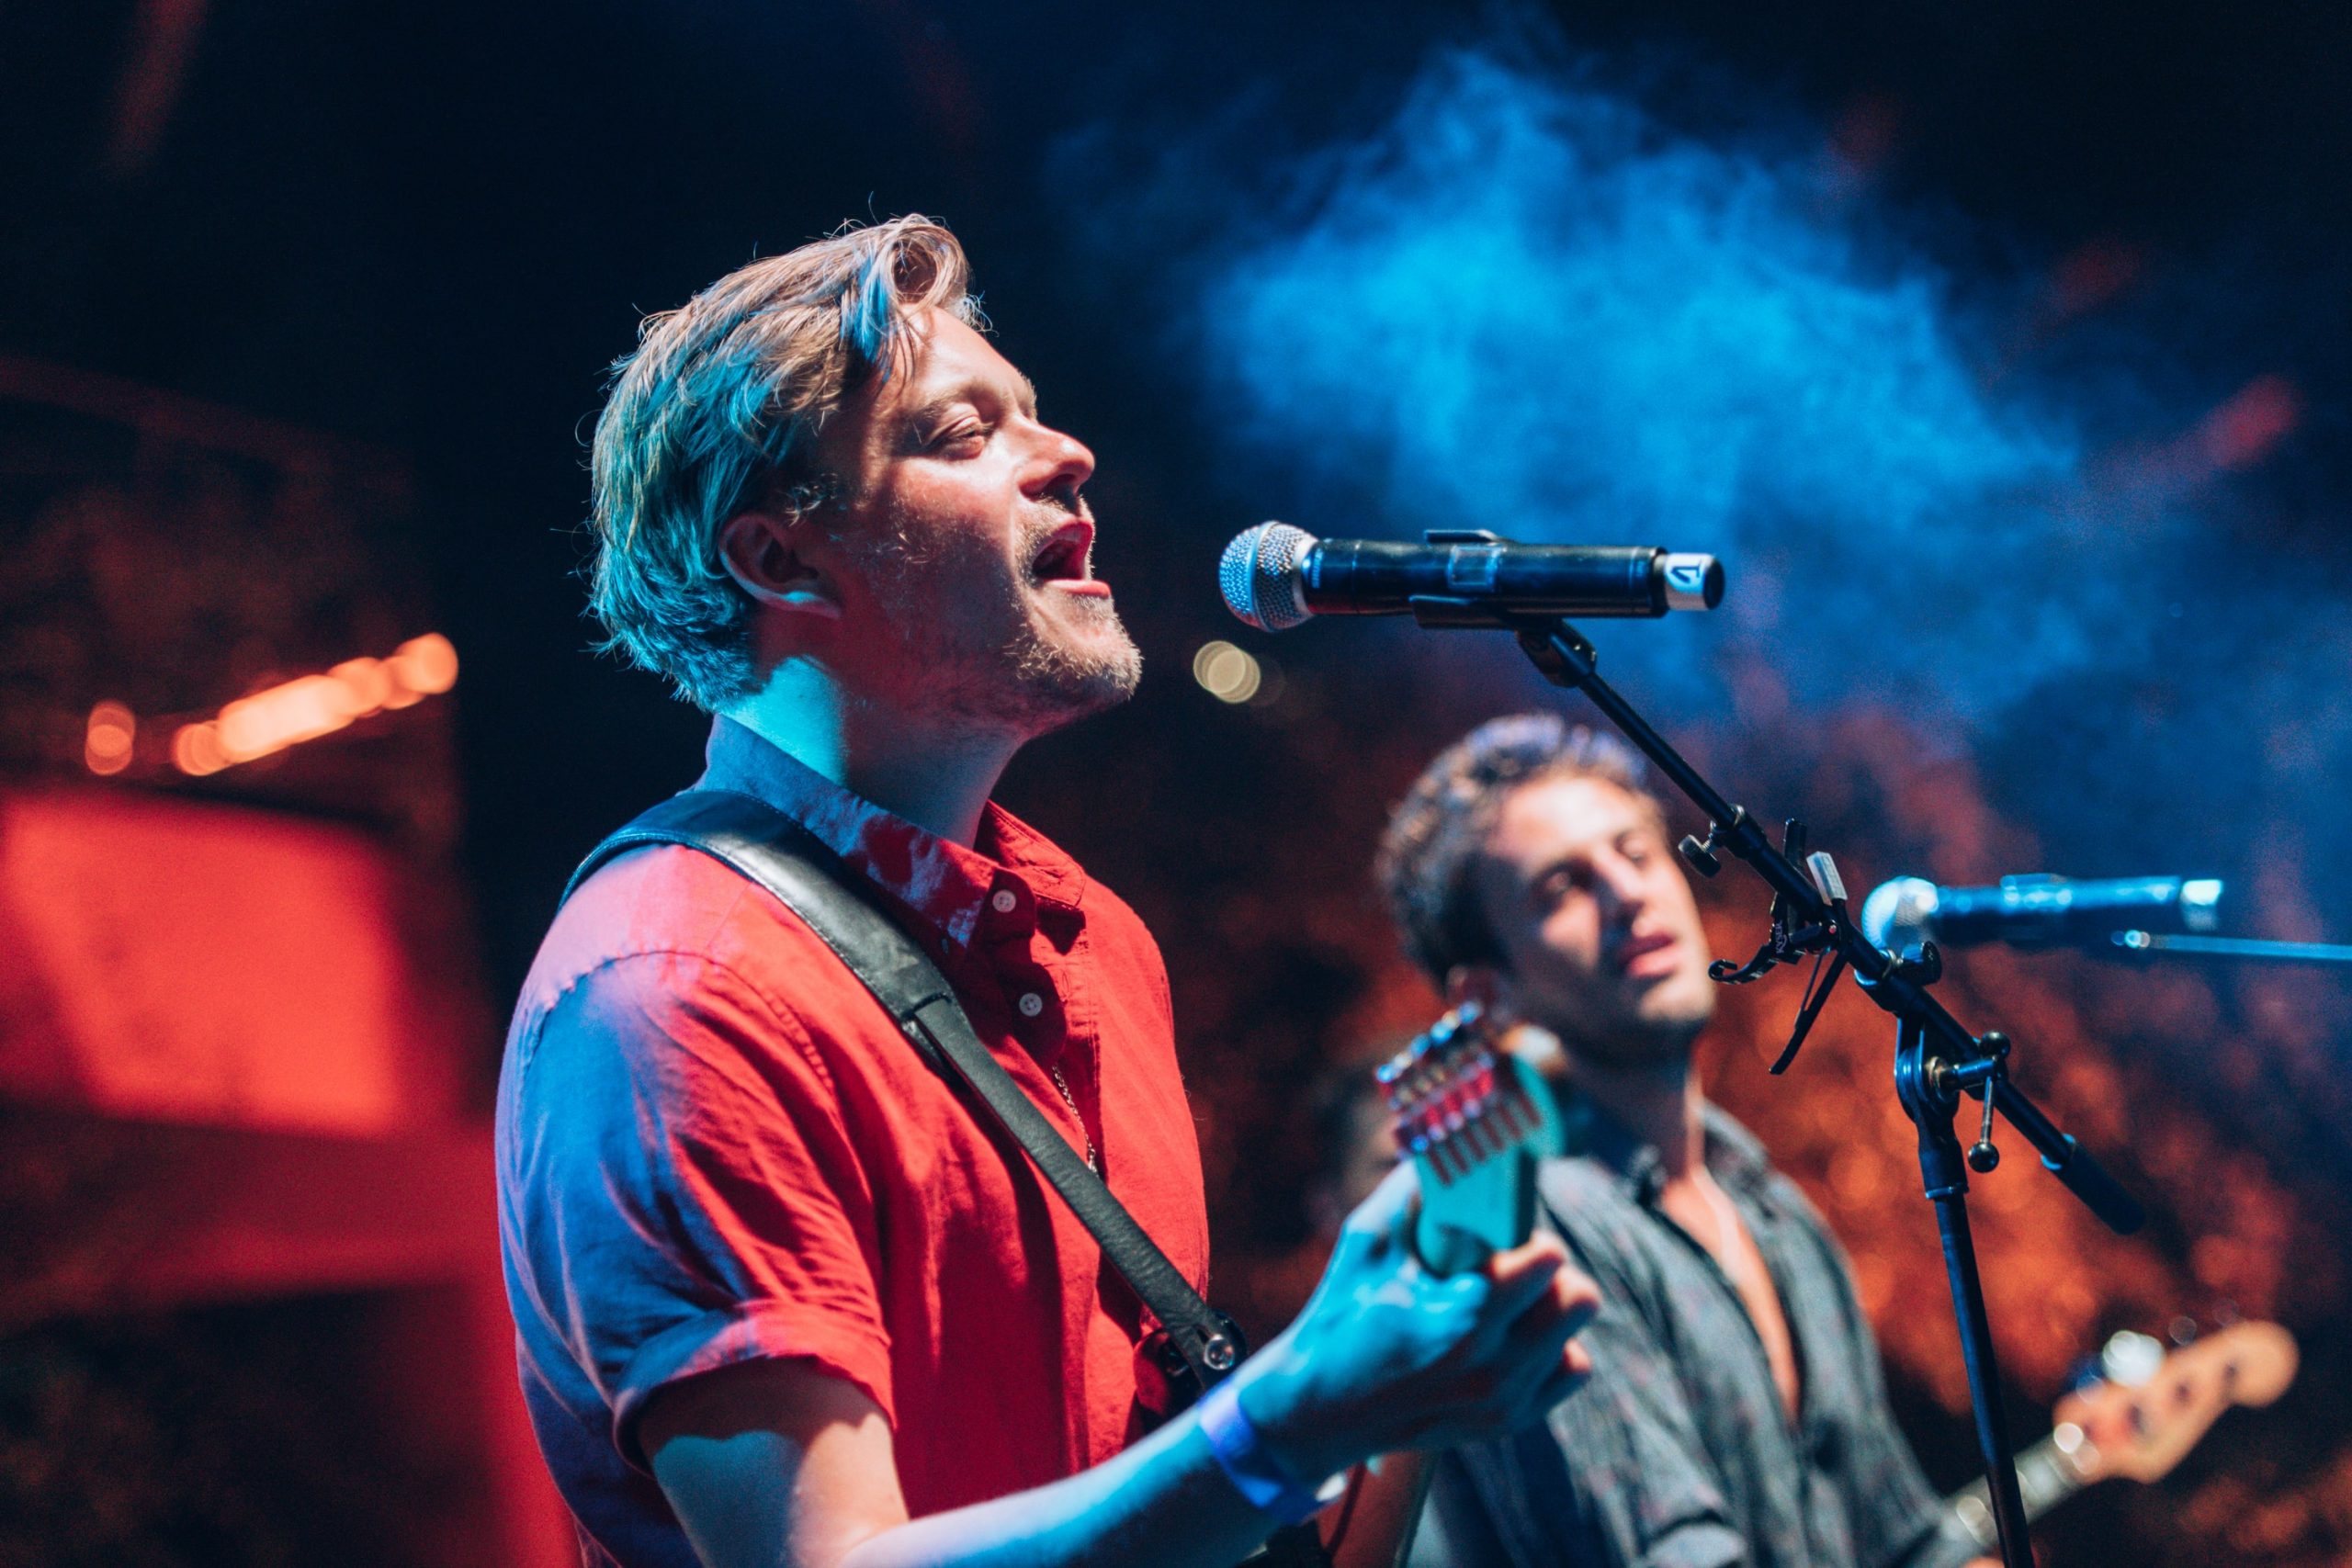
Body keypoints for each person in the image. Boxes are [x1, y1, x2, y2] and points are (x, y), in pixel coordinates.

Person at [494, 217, 1598, 1568]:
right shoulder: (677, 992)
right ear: (779, 560)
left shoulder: (1097, 944)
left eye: (1034, 413)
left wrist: (1405, 1377)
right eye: (962, 433)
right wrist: (1284, 1425)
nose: (1067, 452)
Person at [1374, 714, 1996, 1568]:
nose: (1628, 892)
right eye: (1562, 885)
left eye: (1636, 851)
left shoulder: (1770, 1206)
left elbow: (1907, 1541)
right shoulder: (1528, 1235)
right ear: (1488, 996)